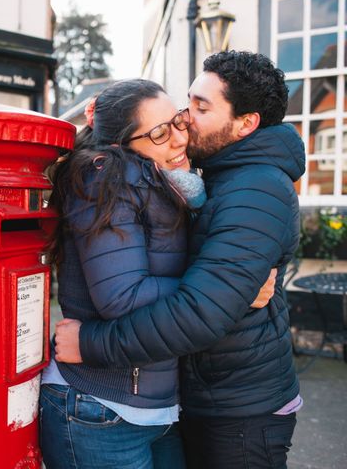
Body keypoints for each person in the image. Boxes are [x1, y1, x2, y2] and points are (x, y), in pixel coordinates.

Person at [54, 51, 305, 469]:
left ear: (246, 123)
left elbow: (202, 309)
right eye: (187, 103)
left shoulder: (254, 188)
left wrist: (90, 342)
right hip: (185, 398)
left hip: (239, 408)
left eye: (200, 108)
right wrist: (235, 290)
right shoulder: (203, 178)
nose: (185, 120)